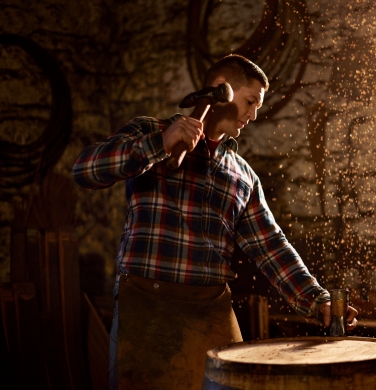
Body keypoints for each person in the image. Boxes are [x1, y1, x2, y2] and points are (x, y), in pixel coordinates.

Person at [72, 54, 358, 389]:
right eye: (250, 101)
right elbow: (85, 170)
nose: (253, 115)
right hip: (147, 305)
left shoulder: (241, 174)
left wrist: (316, 298)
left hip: (212, 310)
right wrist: (159, 146)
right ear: (221, 88)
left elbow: (271, 247)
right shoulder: (150, 131)